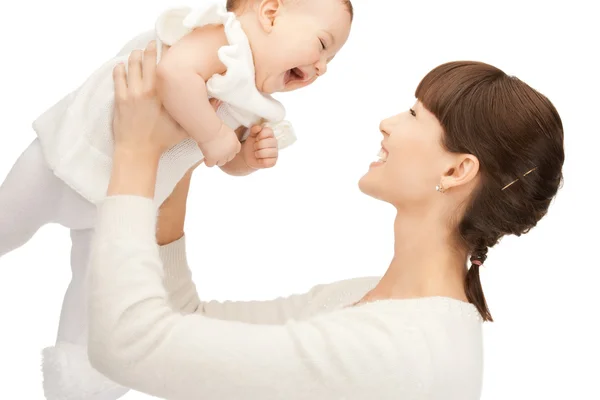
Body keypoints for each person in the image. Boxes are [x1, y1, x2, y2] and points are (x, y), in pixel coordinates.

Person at [88, 44, 564, 399]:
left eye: (416, 114)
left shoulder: (399, 348)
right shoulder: (364, 302)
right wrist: (187, 147)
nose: (388, 122)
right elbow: (183, 321)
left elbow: (127, 345)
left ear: (456, 170)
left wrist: (136, 153)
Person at [0, 0, 352, 398]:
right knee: (7, 223)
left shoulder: (253, 102)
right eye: (323, 44)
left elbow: (221, 159)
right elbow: (173, 74)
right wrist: (211, 133)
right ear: (270, 13)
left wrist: (246, 158)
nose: (323, 66)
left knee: (94, 298)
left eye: (332, 60)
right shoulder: (222, 39)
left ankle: (77, 384)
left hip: (118, 204)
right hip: (62, 162)